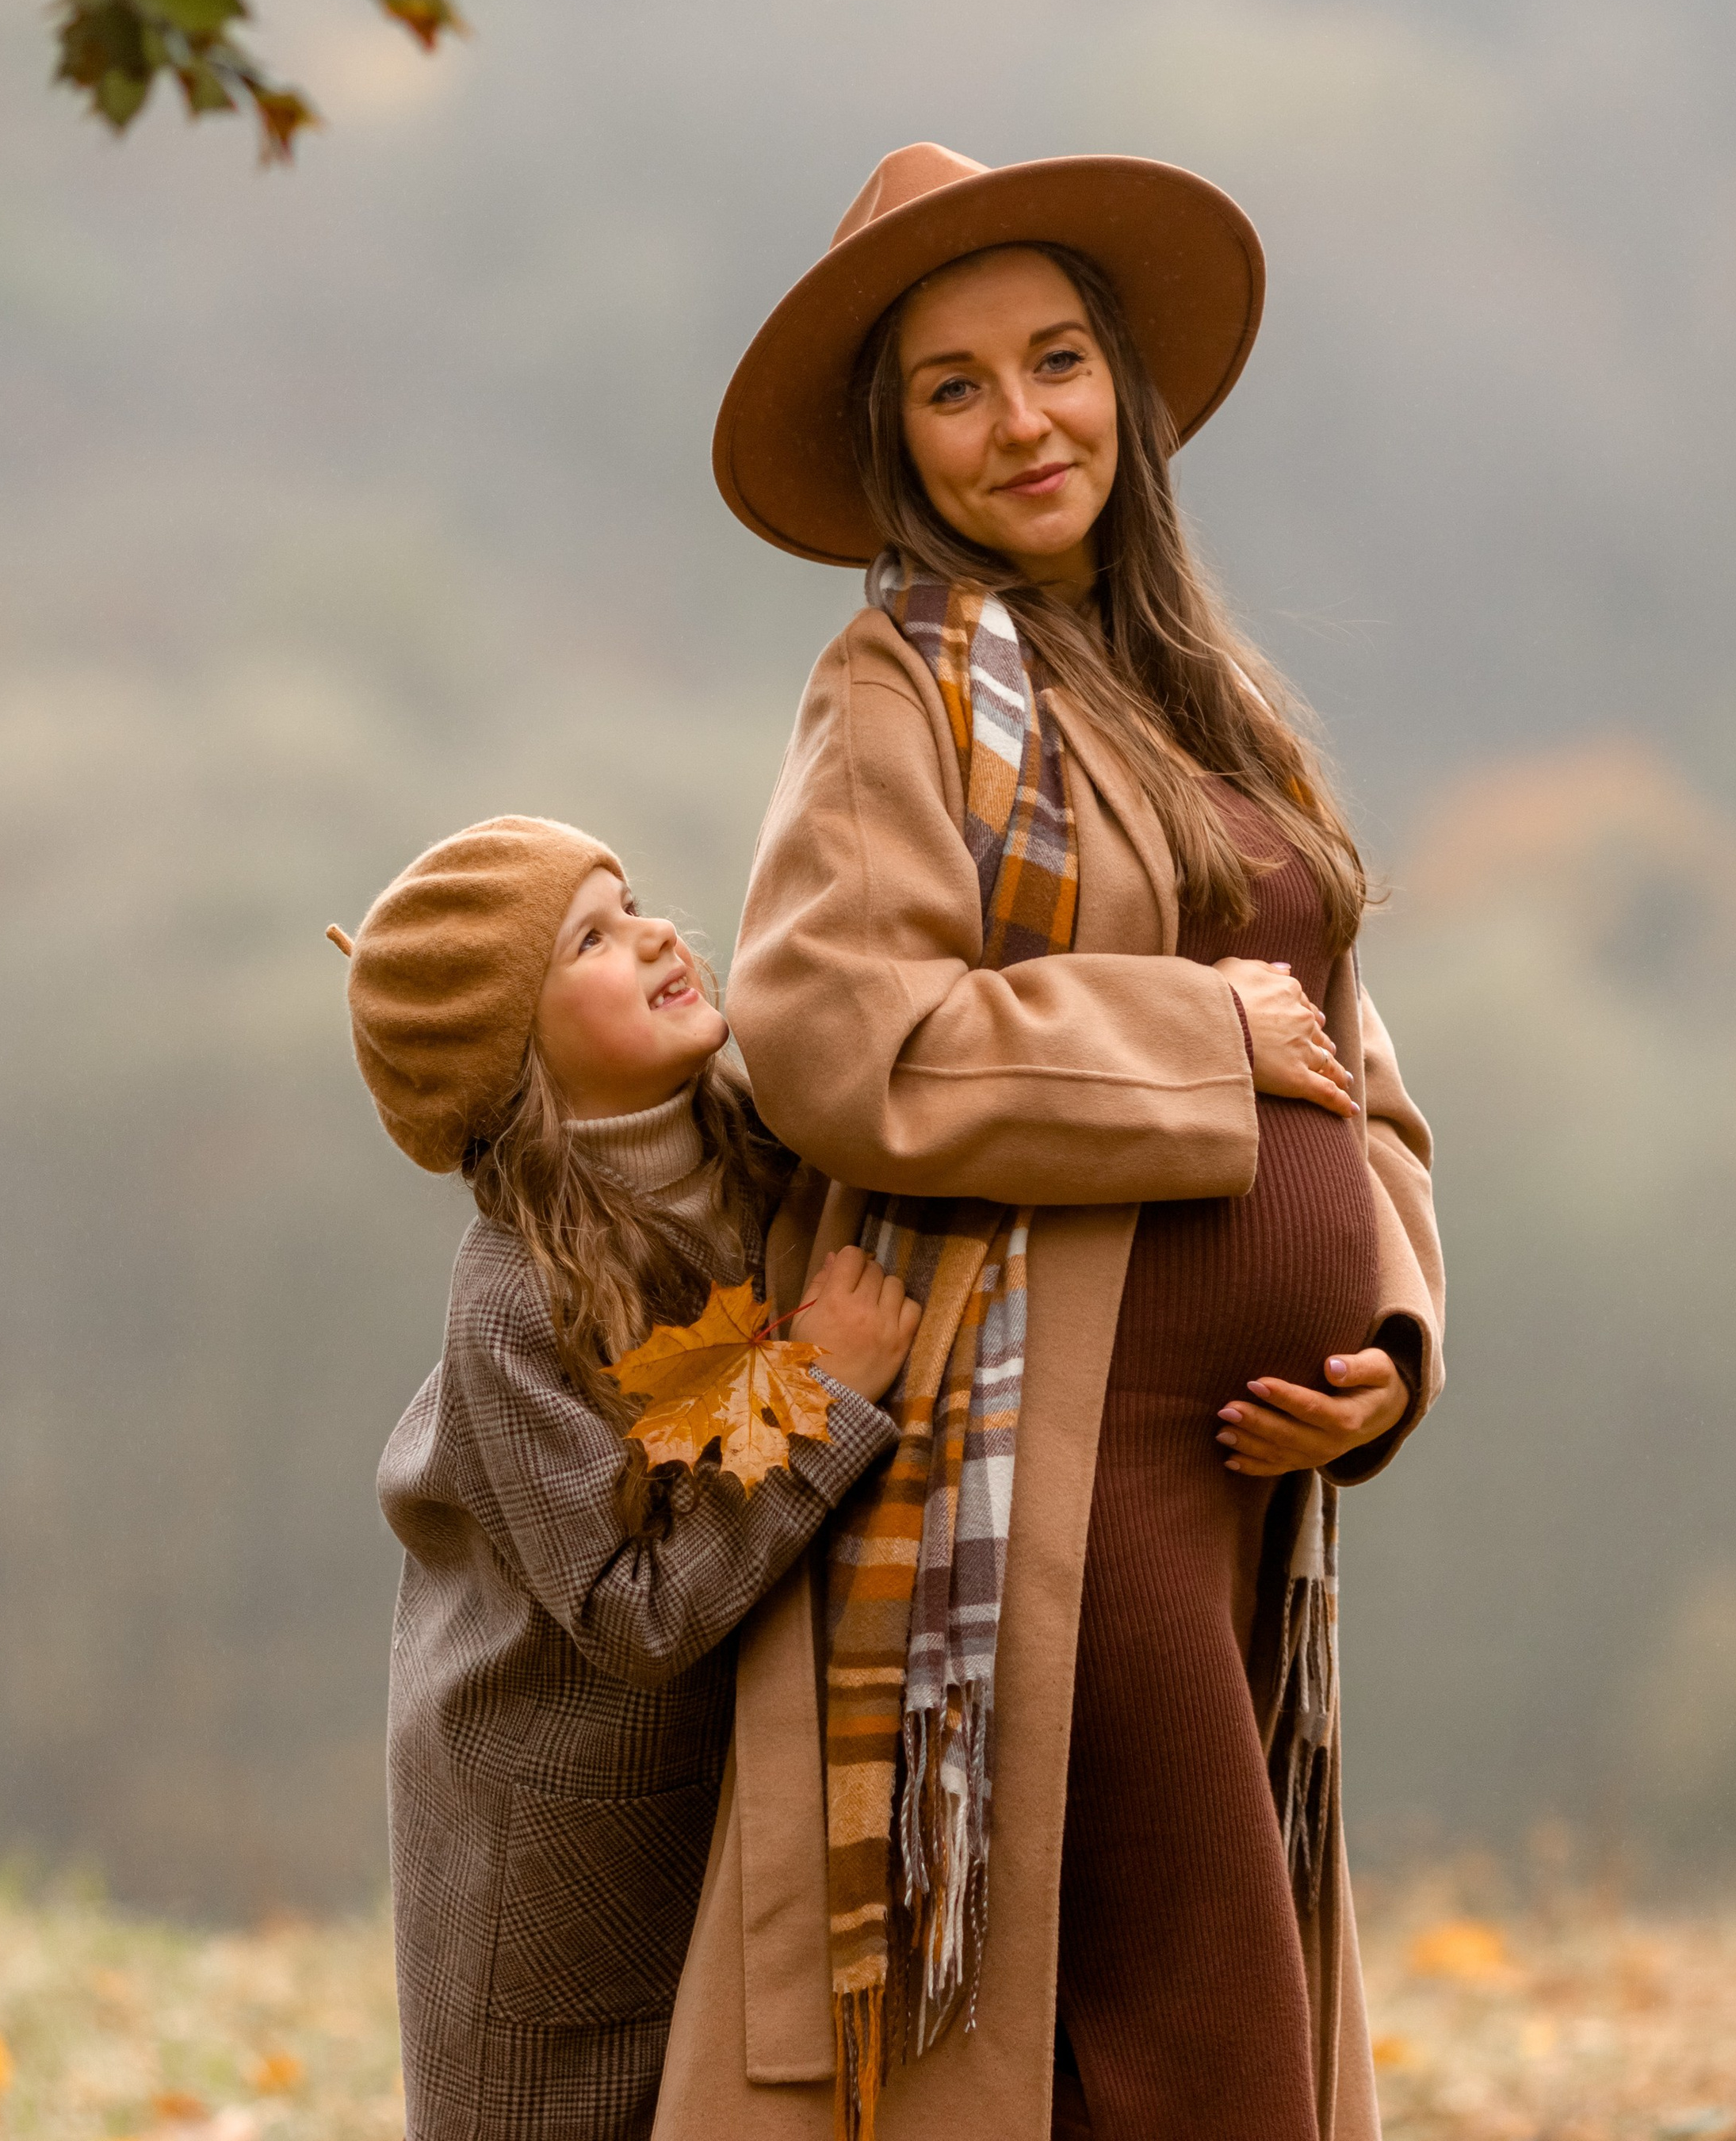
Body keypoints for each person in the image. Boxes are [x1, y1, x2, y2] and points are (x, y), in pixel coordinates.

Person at [653, 144, 1445, 2141]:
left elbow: (1350, 1062)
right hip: (1053, 1477)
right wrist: (1191, 1034)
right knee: (1204, 2045)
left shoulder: (1208, 703)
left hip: (1243, 1486)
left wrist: (1391, 1342)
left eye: (1058, 361)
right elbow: (843, 1038)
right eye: (955, 387)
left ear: (1124, 390)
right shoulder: (896, 691)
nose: (1022, 421)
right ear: (897, 444)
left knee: (1165, 2029)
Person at [331, 814, 920, 2141]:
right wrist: (820, 1396)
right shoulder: (512, 1306)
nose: (656, 934)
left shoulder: (769, 1150)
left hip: (717, 1820)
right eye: (590, 940)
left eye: (632, 901)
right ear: (513, 1057)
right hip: (550, 1869)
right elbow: (631, 1610)